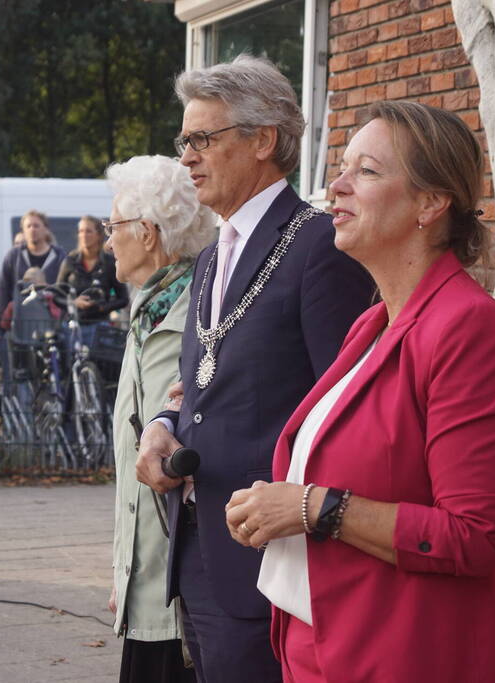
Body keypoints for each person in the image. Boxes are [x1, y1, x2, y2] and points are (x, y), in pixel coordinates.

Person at [224, 102, 495, 682]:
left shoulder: (468, 330)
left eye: (368, 171)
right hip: (322, 644)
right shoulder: (371, 324)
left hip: (402, 654)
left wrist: (310, 507)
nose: (338, 185)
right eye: (343, 166)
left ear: (431, 203)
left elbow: (477, 538)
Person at [134, 55, 375, 682]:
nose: (187, 156)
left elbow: (343, 409)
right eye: (184, 140)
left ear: (263, 140)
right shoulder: (213, 254)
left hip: (269, 555)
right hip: (196, 545)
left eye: (203, 139)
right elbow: (205, 376)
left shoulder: (319, 244)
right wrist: (164, 421)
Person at [105, 156, 216, 683]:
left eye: (113, 227)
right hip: (146, 583)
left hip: (181, 591)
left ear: (147, 233)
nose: (107, 240)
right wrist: (121, 573)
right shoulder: (147, 310)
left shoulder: (200, 311)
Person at [56, 216, 129, 348]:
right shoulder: (70, 261)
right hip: (73, 326)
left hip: (100, 326)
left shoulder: (109, 263)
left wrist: (102, 307)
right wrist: (74, 302)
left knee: (100, 366)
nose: (84, 235)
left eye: (88, 231)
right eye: (81, 231)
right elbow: (57, 295)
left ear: (99, 235)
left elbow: (123, 299)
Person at [0, 210, 66, 315]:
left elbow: (65, 289)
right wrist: (6, 317)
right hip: (20, 319)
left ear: (46, 229)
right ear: (23, 231)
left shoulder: (59, 256)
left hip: (52, 320)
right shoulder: (14, 255)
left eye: (36, 226)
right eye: (28, 226)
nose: (32, 229)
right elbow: (3, 288)